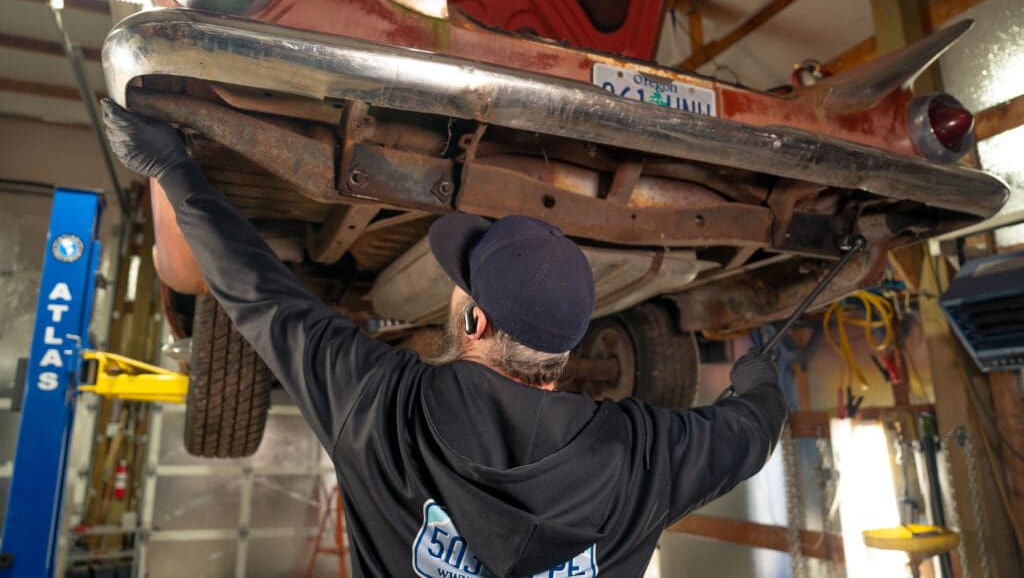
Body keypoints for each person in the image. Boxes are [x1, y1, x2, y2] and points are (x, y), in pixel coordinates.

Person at [101, 99, 787, 578]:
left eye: (462, 286)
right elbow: (749, 433)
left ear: (476, 322)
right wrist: (766, 374)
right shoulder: (645, 460)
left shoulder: (384, 408)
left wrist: (173, 169)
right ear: (566, 347)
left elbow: (258, 295)